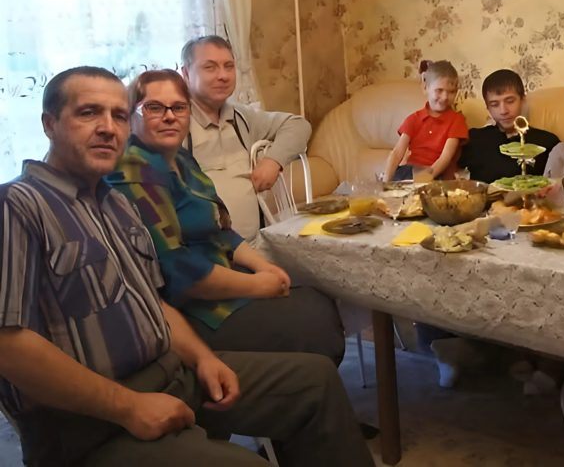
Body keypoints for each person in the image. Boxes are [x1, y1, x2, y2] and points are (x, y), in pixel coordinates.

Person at [0, 66, 373, 467]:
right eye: (89, 112)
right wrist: (128, 406)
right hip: (91, 420)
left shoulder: (114, 204)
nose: (108, 128)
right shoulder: (18, 205)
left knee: (316, 382)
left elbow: (154, 302)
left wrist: (202, 359)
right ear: (49, 124)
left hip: (170, 372)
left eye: (118, 115)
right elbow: (8, 344)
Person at [106, 70, 346, 366]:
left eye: (178, 107)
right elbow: (178, 271)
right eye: (154, 108)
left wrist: (263, 267)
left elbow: (221, 230)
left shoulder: (181, 159)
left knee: (316, 300)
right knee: (310, 321)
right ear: (131, 115)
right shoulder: (134, 169)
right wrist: (257, 286)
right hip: (189, 309)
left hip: (222, 277)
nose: (169, 116)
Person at [181, 35, 311, 240]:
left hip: (255, 246)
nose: (223, 76)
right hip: (207, 251)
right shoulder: (175, 124)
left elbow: (298, 125)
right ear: (186, 74)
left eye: (229, 66)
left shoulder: (242, 117)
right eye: (210, 67)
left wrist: (273, 160)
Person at [458, 69, 559, 183]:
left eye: (510, 101)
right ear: (488, 108)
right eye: (494, 104)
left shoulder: (547, 142)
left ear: (522, 100)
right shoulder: (474, 139)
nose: (503, 111)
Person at [383, 60, 468, 181]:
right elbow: (397, 153)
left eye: (451, 92)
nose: (445, 97)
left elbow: (445, 158)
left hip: (436, 174)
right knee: (397, 178)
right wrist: (385, 183)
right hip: (410, 172)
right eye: (439, 90)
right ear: (425, 88)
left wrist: (423, 180)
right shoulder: (414, 119)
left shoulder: (457, 120)